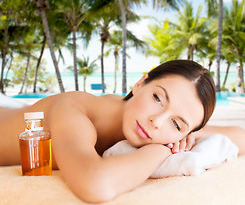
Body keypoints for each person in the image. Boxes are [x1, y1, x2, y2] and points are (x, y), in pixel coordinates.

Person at [0, 60, 244, 203]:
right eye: (158, 98)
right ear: (140, 84)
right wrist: (159, 151)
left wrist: (186, 135)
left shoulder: (159, 126)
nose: (156, 121)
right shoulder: (73, 112)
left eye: (177, 123)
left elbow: (240, 136)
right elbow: (96, 184)